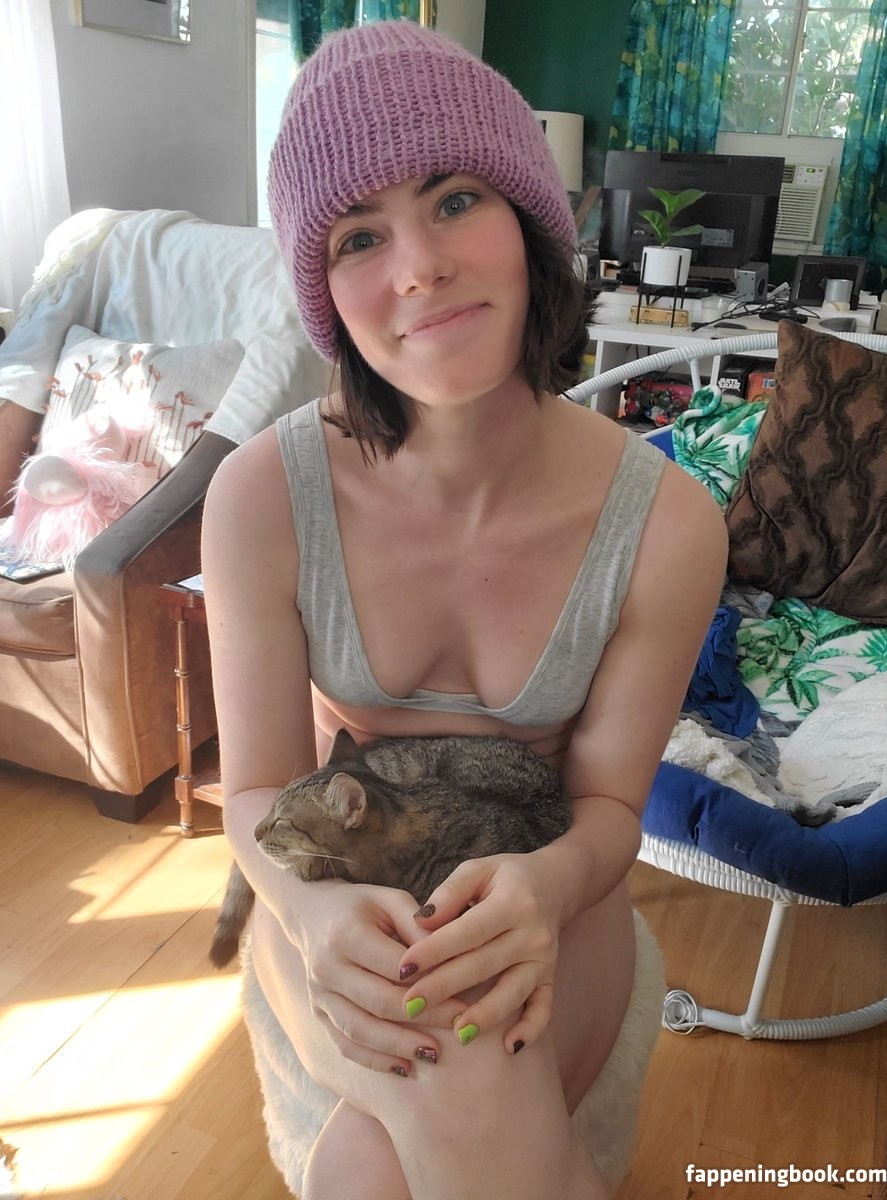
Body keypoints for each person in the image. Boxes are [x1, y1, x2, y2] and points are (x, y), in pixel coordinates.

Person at [201, 20, 727, 1200]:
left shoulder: (666, 526)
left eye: (454, 200)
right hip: (340, 892)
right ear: (324, 290)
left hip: (551, 889)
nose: (418, 269)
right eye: (359, 236)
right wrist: (308, 912)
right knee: (447, 1081)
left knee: (383, 1148)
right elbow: (253, 795)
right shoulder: (261, 498)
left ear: (530, 221)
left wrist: (546, 888)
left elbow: (608, 809)